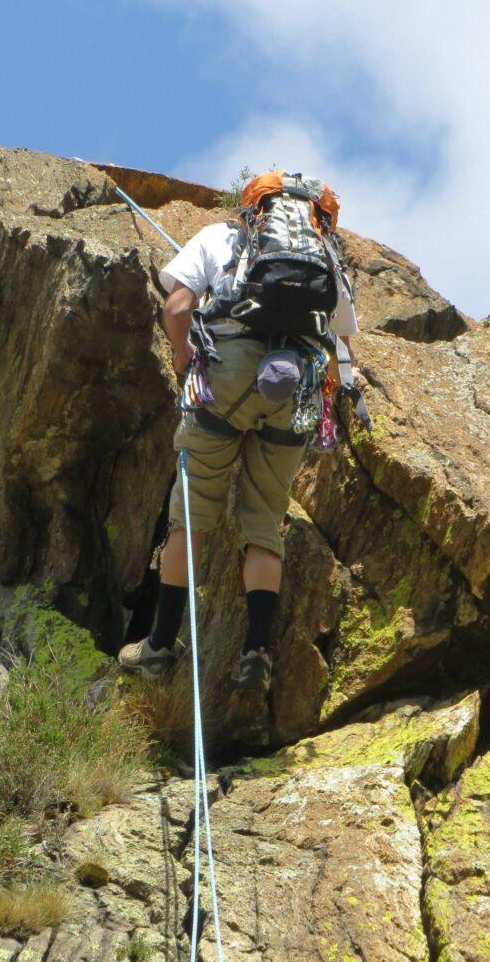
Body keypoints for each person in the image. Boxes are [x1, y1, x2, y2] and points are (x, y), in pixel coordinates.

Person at [118, 171, 359, 693]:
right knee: (264, 523)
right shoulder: (327, 259)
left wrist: (185, 359)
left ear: (252, 206)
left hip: (223, 381)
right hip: (294, 390)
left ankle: (159, 646)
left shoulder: (219, 238)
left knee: (192, 516)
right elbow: (341, 348)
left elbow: (177, 307)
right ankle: (255, 652)